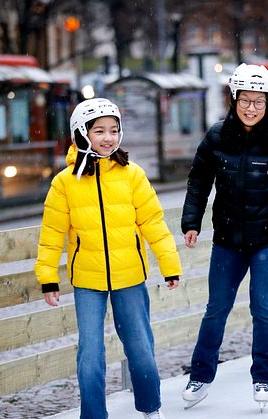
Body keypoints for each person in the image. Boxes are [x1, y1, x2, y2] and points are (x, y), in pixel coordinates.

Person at [34, 98, 182, 419]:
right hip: (88, 280)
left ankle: (150, 408)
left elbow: (153, 223)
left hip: (130, 276)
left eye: (113, 130)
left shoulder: (132, 175)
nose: (108, 138)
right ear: (81, 134)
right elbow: (51, 234)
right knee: (90, 354)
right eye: (99, 131)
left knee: (140, 347)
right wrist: (48, 277)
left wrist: (169, 265)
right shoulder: (64, 183)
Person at [180, 63, 268, 411]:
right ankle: (200, 375)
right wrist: (191, 221)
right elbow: (199, 183)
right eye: (245, 100)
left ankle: (263, 376)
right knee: (216, 309)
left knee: (263, 309)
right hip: (227, 241)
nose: (251, 108)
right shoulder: (217, 136)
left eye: (259, 101)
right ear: (234, 99)